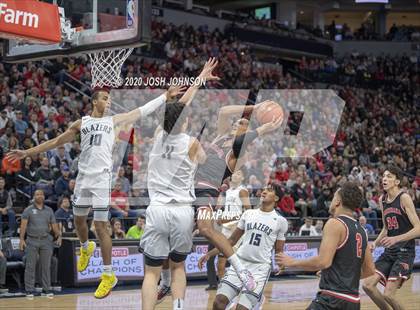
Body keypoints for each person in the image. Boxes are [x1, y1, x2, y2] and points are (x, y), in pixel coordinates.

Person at [7, 84, 183, 299]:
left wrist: (165, 95)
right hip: (83, 178)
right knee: (79, 220)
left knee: (101, 226)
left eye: (109, 99)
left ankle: (108, 275)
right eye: (105, 98)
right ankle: (85, 246)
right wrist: (27, 151)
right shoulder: (82, 124)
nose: (109, 102)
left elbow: (141, 111)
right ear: (94, 102)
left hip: (101, 179)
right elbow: (55, 142)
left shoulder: (113, 121)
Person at [139, 59, 213, 310]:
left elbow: (178, 108)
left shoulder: (158, 137)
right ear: (185, 122)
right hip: (182, 210)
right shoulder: (193, 144)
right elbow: (205, 161)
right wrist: (200, 77)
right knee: (178, 266)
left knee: (151, 273)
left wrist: (196, 80)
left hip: (158, 208)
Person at [277, 182, 376, 310]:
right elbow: (370, 270)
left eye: (334, 197)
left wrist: (292, 262)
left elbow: (323, 262)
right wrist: (340, 276)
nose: (331, 200)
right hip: (353, 302)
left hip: (332, 299)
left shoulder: (334, 223)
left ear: (338, 202)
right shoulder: (362, 231)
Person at [198, 184, 288, 310]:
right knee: (218, 303)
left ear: (277, 198)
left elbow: (279, 250)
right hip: (239, 264)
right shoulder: (248, 214)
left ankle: (256, 299)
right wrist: (209, 254)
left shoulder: (280, 221)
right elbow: (231, 241)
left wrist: (281, 264)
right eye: (264, 189)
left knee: (241, 308)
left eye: (269, 190)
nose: (264, 191)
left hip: (259, 268)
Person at [363, 166, 420, 310]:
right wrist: (375, 243)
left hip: (405, 252)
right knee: (368, 285)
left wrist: (396, 239)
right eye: (383, 176)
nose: (384, 179)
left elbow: (418, 228)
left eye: (389, 176)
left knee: (389, 294)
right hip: (390, 251)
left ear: (397, 181)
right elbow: (386, 228)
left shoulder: (404, 198)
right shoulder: (382, 200)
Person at [19, 190, 62, 299]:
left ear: (44, 197)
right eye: (37, 194)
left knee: (46, 265)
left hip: (46, 240)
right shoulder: (28, 210)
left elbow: (54, 225)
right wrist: (21, 240)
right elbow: (23, 226)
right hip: (31, 240)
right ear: (34, 197)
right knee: (30, 266)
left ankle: (46, 289)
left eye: (41, 194)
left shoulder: (49, 210)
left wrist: (59, 236)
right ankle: (29, 290)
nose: (39, 196)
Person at [216, 169, 251, 280]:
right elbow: (225, 209)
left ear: (243, 178)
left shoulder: (242, 191)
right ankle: (222, 287)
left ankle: (241, 284)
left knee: (234, 263)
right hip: (225, 229)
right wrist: (220, 217)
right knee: (220, 263)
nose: (235, 175)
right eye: (234, 173)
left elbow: (248, 211)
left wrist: (230, 219)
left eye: (239, 173)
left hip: (236, 229)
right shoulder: (228, 191)